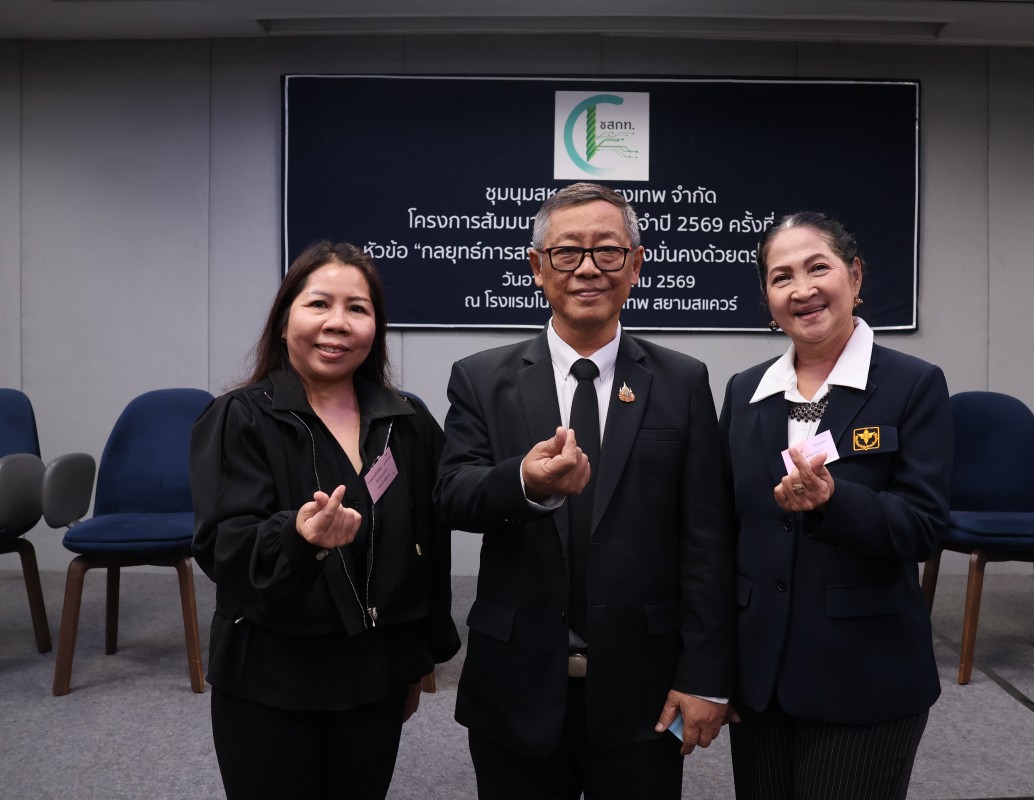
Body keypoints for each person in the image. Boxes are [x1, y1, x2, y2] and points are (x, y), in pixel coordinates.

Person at [435, 182, 735, 799]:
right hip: (516, 683)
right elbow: (453, 494)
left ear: (636, 264)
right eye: (568, 251)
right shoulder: (482, 378)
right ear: (537, 267)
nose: (589, 268)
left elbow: (707, 538)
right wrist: (524, 482)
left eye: (608, 251)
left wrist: (705, 675)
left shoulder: (682, 381)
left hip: (644, 688)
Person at [190, 241, 460, 800]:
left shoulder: (407, 421)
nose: (337, 323)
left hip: (375, 674)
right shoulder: (240, 417)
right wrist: (298, 535)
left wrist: (417, 661)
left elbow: (430, 546)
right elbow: (224, 548)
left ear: (375, 328)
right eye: (318, 304)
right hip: (270, 676)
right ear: (284, 319)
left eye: (357, 308)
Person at [721, 212, 951, 800]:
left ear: (855, 276)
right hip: (760, 677)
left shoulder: (913, 384)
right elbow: (722, 530)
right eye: (781, 277)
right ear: (767, 298)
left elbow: (924, 527)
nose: (802, 290)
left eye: (817, 268)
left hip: (864, 676)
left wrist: (834, 501)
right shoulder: (744, 392)